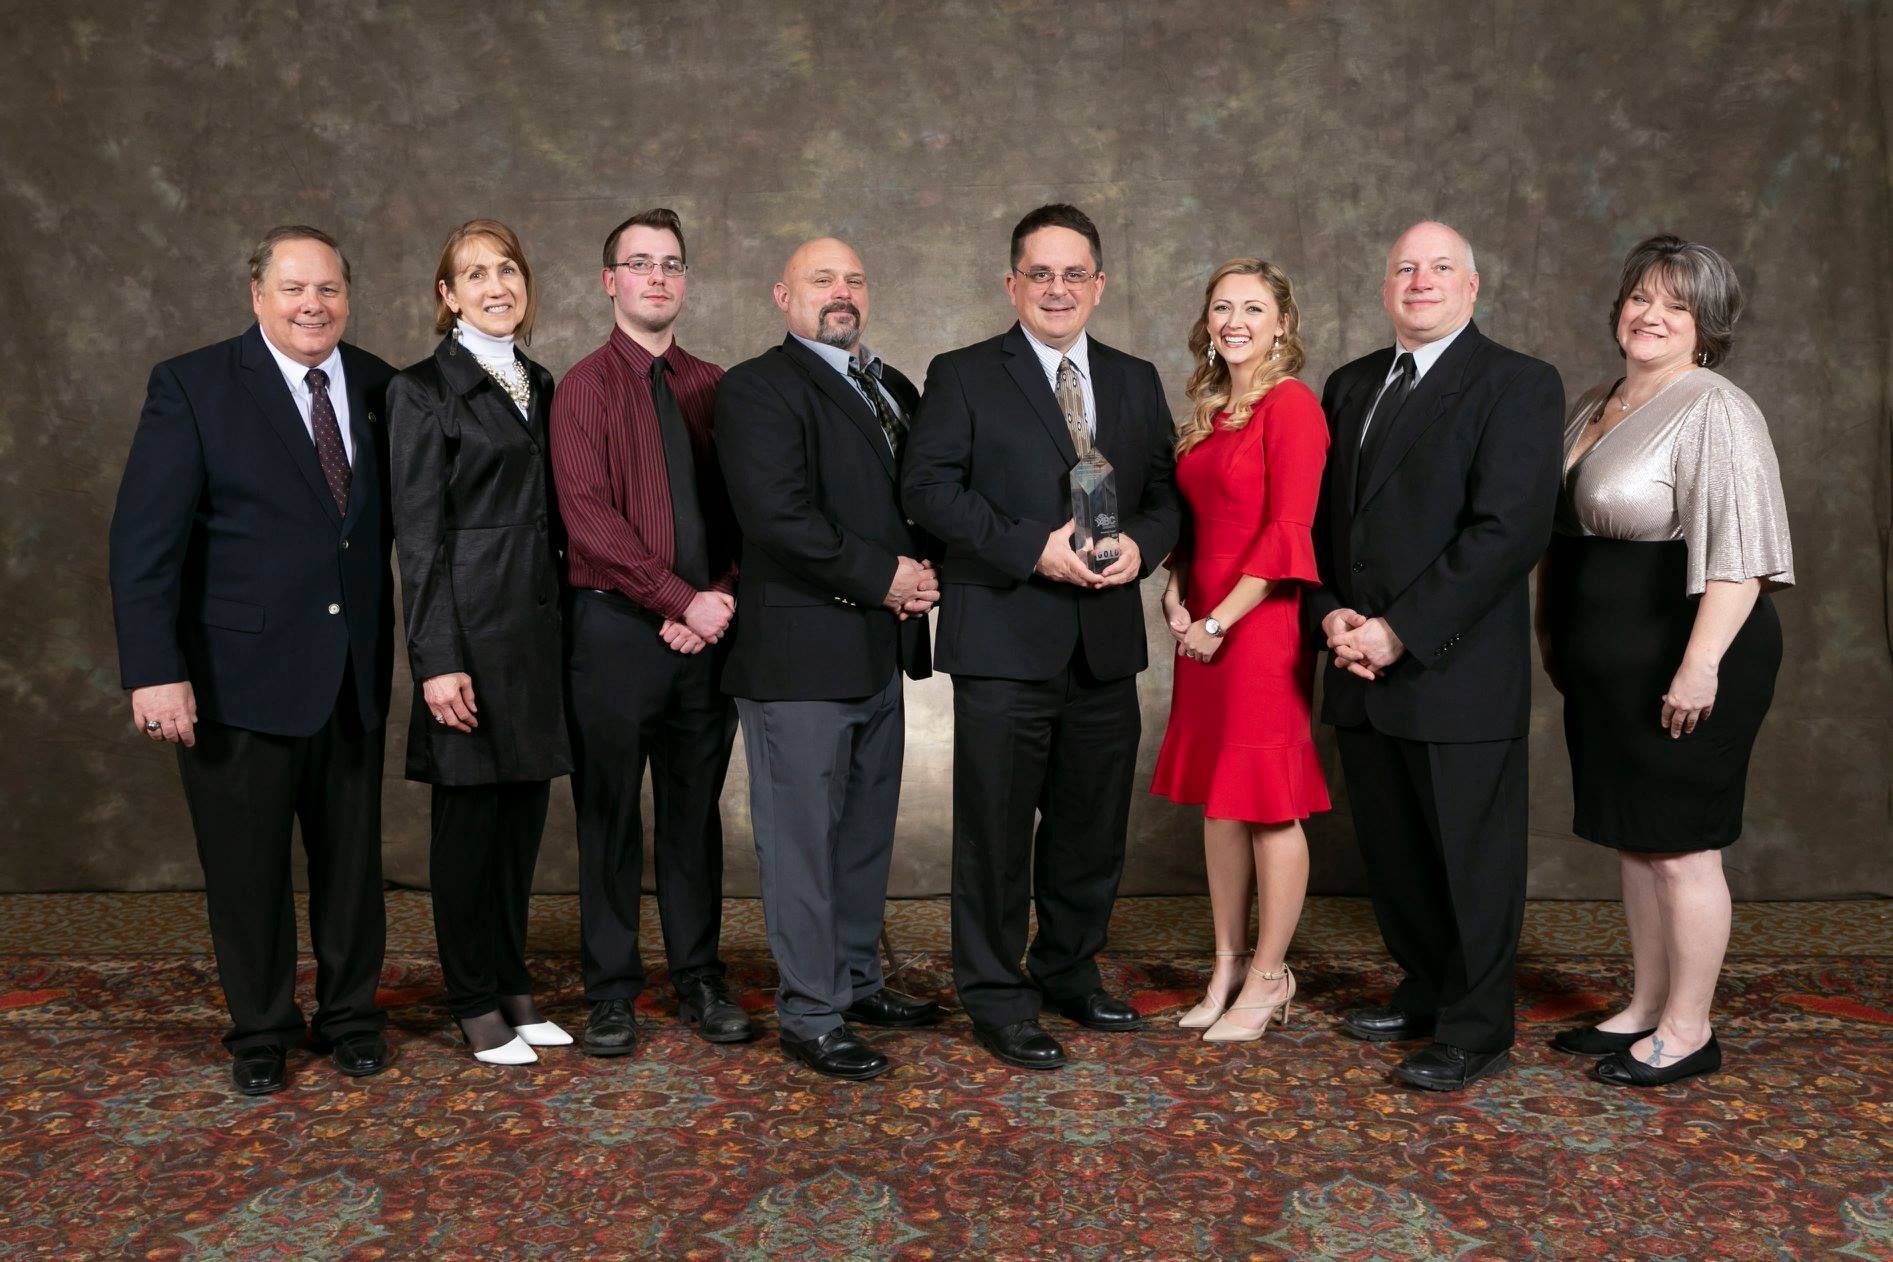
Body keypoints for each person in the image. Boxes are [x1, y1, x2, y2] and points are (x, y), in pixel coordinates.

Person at [108, 225, 397, 1095]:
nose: (314, 306)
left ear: (348, 295)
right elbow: (142, 544)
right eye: (294, 289)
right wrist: (154, 670)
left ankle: (350, 1016)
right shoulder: (194, 385)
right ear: (257, 296)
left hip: (351, 670)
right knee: (248, 870)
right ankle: (262, 1029)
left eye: (330, 290)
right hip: (234, 679)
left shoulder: (383, 385)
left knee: (351, 866)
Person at [903, 203, 1181, 1070]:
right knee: (993, 830)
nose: (1056, 289)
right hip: (1004, 640)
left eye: (1073, 274)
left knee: (1088, 825)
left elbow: (1168, 494)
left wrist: (1143, 546)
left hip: (1103, 639)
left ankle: (1067, 968)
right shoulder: (962, 373)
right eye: (1039, 273)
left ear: (1098, 285)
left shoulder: (1135, 378)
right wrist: (1033, 550)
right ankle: (994, 994)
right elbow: (928, 490)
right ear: (1010, 283)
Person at [1308, 221, 1564, 1091]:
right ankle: (1422, 989)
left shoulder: (1517, 384)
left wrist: (1399, 630)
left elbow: (1507, 532)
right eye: (1404, 268)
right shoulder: (1347, 386)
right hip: (1358, 664)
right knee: (1398, 856)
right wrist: (1333, 615)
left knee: (1470, 859)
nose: (1420, 281)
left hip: (1452, 669)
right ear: (1385, 288)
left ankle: (1476, 1026)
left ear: (1472, 286)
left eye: (1439, 267)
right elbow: (1317, 531)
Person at [1539, 235, 1792, 1088]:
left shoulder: (1714, 407)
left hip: (1686, 651)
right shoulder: (1594, 400)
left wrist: (1699, 666)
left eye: (1675, 306)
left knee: (1683, 848)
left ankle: (1689, 1028)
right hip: (1610, 657)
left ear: (1705, 325)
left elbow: (1740, 560)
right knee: (1637, 843)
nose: (1651, 316)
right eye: (1641, 298)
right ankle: (1644, 1007)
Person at [716, 237, 944, 1080]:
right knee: (802, 846)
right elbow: (777, 515)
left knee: (860, 837)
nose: (840, 292)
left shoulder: (892, 387)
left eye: (853, 278)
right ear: (783, 296)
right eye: (821, 280)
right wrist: (888, 575)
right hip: (797, 659)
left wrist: (929, 574)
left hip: (877, 652)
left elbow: (919, 504)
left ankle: (855, 980)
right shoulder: (758, 389)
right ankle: (811, 1012)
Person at [549, 208, 750, 1056]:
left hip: (708, 636)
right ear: (610, 281)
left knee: (692, 814)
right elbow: (587, 520)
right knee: (607, 816)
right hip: (615, 633)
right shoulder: (581, 388)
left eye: (670, 264)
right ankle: (611, 988)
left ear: (684, 281)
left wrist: (720, 600)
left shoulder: (719, 386)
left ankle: (699, 975)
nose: (656, 277)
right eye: (638, 263)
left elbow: (752, 509)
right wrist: (676, 600)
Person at [387, 219, 572, 1066]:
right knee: (468, 833)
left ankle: (511, 984)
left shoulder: (541, 381)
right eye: (475, 274)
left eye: (508, 269)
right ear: (447, 295)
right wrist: (437, 660)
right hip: (467, 640)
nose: (496, 285)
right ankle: (472, 1000)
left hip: (536, 639)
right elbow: (417, 539)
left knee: (519, 827)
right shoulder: (421, 391)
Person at [1150, 258, 1331, 1043]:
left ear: (1281, 323)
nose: (1234, 321)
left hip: (1257, 626)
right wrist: (1174, 586)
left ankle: (1268, 974)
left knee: (1266, 804)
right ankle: (1223, 964)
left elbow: (1287, 532)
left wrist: (1218, 620)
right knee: (1220, 807)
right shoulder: (1209, 409)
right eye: (1222, 307)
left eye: (1252, 309)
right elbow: (1197, 523)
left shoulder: (1291, 406)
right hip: (1202, 619)